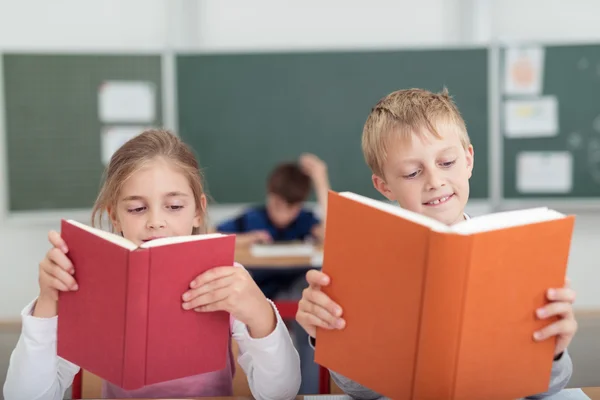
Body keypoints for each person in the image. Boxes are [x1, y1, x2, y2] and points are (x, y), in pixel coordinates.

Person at [296, 88, 578, 398]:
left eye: (446, 162)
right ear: (384, 186)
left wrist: (553, 354)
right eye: (412, 172)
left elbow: (550, 389)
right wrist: (329, 333)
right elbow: (361, 392)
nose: (434, 181)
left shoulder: (515, 254)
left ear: (468, 159)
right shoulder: (368, 265)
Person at [4, 129, 301, 400]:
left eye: (174, 206)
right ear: (115, 216)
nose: (156, 222)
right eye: (136, 208)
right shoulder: (93, 283)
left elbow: (281, 393)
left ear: (198, 211)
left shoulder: (225, 278)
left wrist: (261, 314)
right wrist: (47, 304)